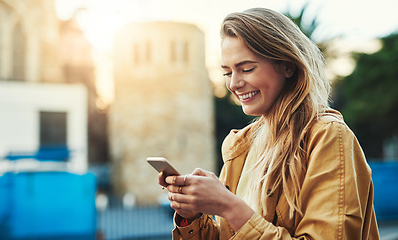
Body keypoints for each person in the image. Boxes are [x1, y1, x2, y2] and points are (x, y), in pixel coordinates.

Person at [159, 7, 380, 239]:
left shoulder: (327, 136)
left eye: (246, 69)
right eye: (227, 72)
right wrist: (192, 217)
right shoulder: (239, 147)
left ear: (287, 65)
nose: (234, 83)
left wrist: (229, 206)